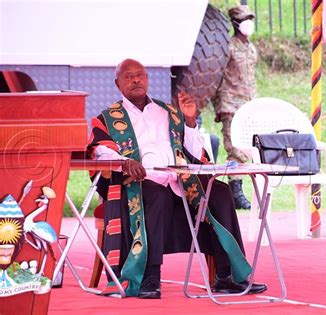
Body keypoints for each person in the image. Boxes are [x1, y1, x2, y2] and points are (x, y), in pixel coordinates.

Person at [88, 58, 267, 299]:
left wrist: (190, 122)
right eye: (128, 76)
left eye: (140, 74)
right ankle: (149, 277)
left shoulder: (169, 113)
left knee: (221, 192)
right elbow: (100, 150)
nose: (136, 80)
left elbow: (195, 152)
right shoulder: (107, 118)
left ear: (147, 79)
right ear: (117, 83)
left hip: (179, 180)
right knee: (156, 194)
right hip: (139, 182)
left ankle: (227, 275)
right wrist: (125, 163)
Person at [213, 5, 257, 209]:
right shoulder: (228, 48)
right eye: (244, 19)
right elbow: (216, 77)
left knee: (246, 149)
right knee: (234, 149)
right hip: (230, 105)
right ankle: (235, 191)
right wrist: (220, 105)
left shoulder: (250, 48)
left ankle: (236, 190)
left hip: (248, 105)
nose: (249, 22)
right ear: (235, 23)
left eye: (250, 18)